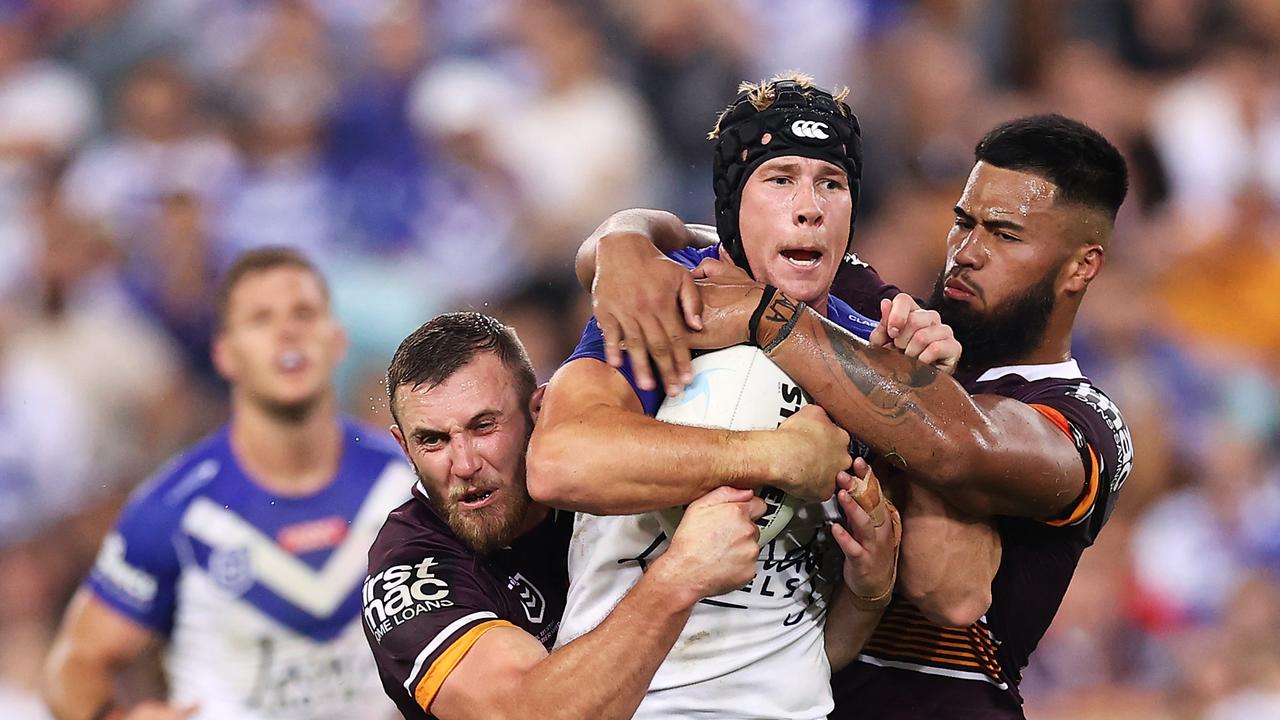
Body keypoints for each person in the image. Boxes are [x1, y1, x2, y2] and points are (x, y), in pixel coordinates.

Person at [579, 112, 1135, 718]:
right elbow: (716, 244)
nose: (967, 253)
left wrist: (765, 318)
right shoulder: (879, 322)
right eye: (962, 222)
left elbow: (959, 456)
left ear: (1083, 265)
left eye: (1004, 235)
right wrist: (622, 239)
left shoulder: (1085, 423)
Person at [527, 75, 937, 720]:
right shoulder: (666, 304)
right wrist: (772, 456)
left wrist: (872, 588)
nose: (810, 207)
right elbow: (560, 463)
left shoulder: (871, 354)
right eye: (780, 179)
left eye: (831, 182)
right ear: (730, 206)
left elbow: (800, 646)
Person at [42, 248, 413, 720]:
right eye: (261, 319)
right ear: (225, 354)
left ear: (336, 340)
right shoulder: (174, 507)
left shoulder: (405, 480)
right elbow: (72, 665)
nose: (288, 332)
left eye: (304, 313)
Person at [365, 311, 782, 720]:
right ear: (404, 447)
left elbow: (758, 660)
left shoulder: (621, 481)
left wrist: (852, 602)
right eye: (433, 441)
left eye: (484, 427)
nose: (464, 464)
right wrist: (681, 576)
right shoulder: (409, 572)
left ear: (539, 410)